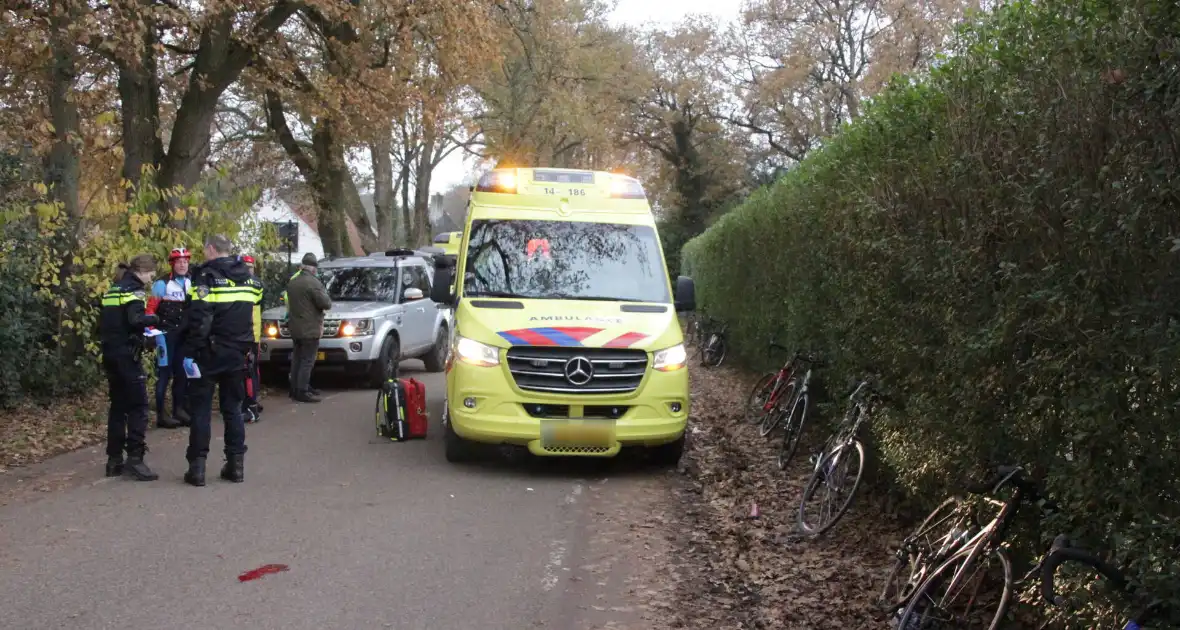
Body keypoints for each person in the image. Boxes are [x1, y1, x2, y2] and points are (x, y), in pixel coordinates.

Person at [180, 235, 263, 486]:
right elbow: (253, 312)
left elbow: (200, 318)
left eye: (205, 249)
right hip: (238, 353)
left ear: (212, 249)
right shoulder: (252, 280)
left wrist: (192, 352)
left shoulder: (205, 278)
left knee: (201, 410)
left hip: (210, 352)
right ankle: (235, 466)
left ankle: (197, 468)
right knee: (233, 410)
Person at [99, 254, 162, 481]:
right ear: (143, 271)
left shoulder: (114, 289)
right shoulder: (134, 290)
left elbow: (112, 323)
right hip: (127, 356)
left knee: (118, 407)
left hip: (111, 354)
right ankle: (135, 459)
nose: (153, 277)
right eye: (152, 272)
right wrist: (155, 319)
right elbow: (135, 320)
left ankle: (114, 459)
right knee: (139, 406)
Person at [146, 247, 192, 429]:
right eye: (179, 262)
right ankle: (161, 414)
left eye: (185, 261)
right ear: (172, 264)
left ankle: (178, 409)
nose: (182, 264)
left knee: (182, 373)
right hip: (165, 335)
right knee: (164, 374)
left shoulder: (191, 282)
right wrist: (150, 333)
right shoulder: (161, 284)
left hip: (183, 335)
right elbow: (150, 310)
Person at [286, 252, 331, 403]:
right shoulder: (313, 283)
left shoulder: (292, 282)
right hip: (309, 328)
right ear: (313, 269)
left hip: (295, 327)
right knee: (307, 361)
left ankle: (295, 389)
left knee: (297, 359)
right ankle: (302, 391)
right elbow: (326, 304)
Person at [239, 254, 263, 423]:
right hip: (250, 333)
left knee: (250, 371)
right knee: (250, 370)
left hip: (250, 334)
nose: (248, 270)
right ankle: (251, 402)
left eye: (250, 267)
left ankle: (251, 404)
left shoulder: (251, 284)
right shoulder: (256, 284)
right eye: (246, 267)